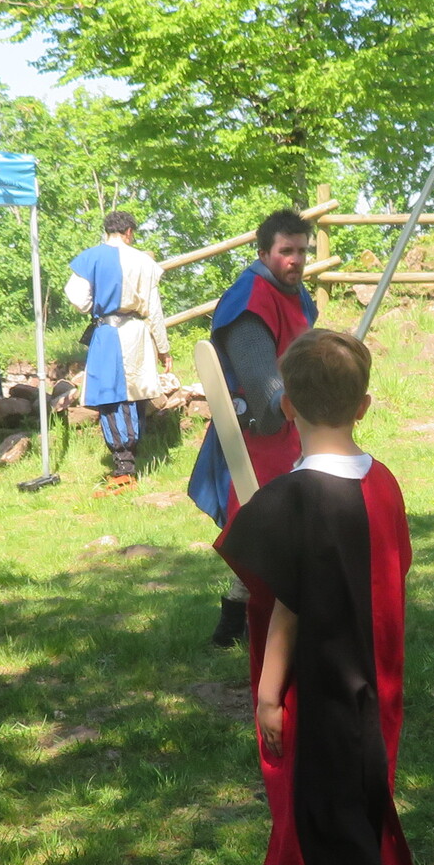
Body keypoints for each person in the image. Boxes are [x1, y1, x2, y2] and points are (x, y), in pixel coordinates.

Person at [219, 328, 426, 865]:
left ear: (287, 406)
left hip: (321, 691)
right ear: (363, 405)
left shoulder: (296, 498)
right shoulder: (383, 481)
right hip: (379, 682)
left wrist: (268, 694)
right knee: (362, 804)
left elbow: (286, 608)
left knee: (320, 822)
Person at [187, 208, 318, 646]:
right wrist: (293, 402)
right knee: (267, 529)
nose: (296, 260)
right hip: (258, 435)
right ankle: (259, 624)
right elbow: (265, 386)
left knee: (281, 530)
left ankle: (237, 622)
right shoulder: (250, 300)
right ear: (263, 253)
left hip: (293, 426)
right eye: (286, 251)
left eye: (302, 251)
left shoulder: (294, 291)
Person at [62, 211, 174, 485]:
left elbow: (77, 297)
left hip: (108, 331)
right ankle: (131, 457)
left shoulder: (91, 257)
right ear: (129, 232)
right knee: (134, 393)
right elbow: (154, 310)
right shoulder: (143, 261)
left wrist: (98, 306)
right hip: (138, 332)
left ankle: (124, 465)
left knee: (112, 394)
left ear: (108, 231)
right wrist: (163, 348)